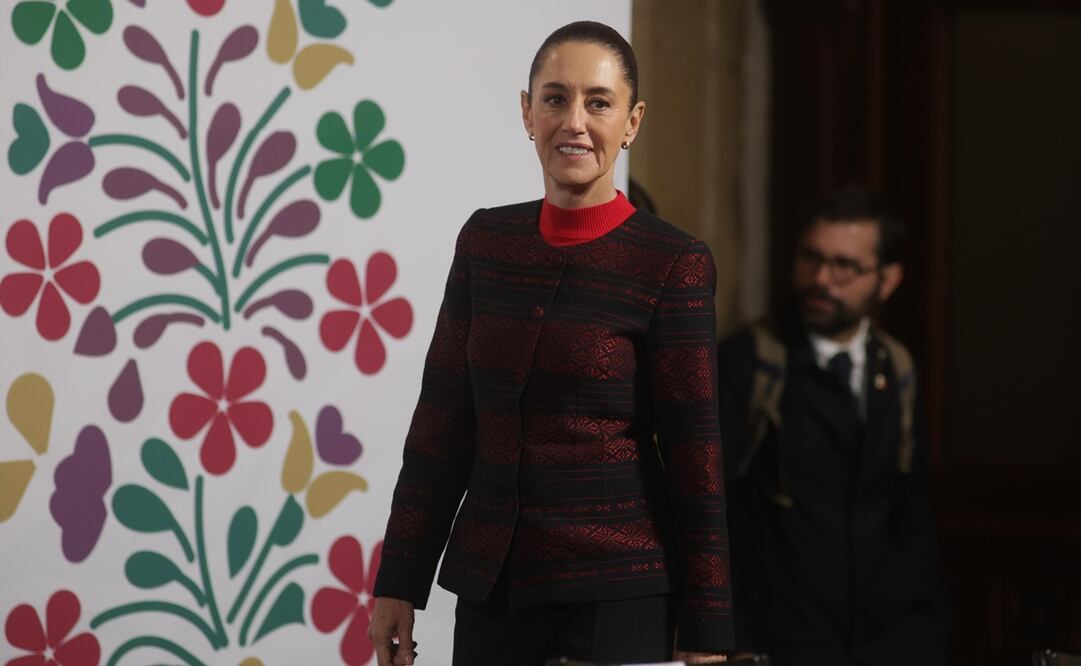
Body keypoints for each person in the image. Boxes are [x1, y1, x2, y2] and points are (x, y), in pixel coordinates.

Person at [368, 20, 733, 666]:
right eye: (555, 98)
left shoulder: (672, 261)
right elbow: (441, 428)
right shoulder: (485, 242)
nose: (574, 122)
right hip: (492, 591)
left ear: (632, 122)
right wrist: (399, 579)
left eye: (599, 102)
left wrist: (706, 627)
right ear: (526, 112)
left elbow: (693, 456)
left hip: (617, 595)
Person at [717, 186, 949, 665]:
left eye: (844, 266)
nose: (821, 279)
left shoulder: (896, 367)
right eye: (811, 258)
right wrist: (734, 640)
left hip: (885, 642)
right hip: (781, 642)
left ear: (887, 280)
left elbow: (913, 515)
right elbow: (712, 514)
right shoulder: (751, 360)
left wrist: (922, 632)